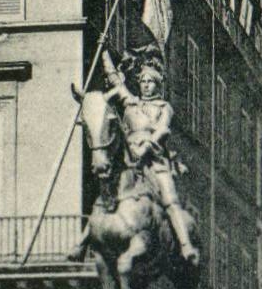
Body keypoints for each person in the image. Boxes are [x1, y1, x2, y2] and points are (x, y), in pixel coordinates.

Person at [70, 43, 199, 264]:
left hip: (154, 160)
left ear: (157, 84)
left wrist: (146, 146)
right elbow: (114, 80)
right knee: (105, 195)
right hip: (130, 158)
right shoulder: (131, 103)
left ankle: (185, 244)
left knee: (170, 199)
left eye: (151, 82)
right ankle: (82, 243)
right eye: (143, 81)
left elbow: (163, 129)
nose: (146, 86)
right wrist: (104, 53)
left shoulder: (163, 107)